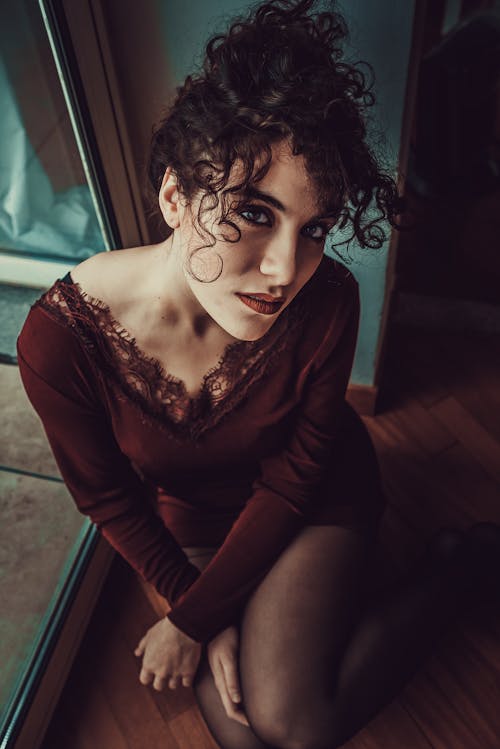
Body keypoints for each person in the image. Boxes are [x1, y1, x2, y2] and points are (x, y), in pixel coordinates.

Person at [17, 1, 500, 747]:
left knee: (293, 724)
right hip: (197, 522)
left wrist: (192, 619)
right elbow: (108, 495)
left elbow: (295, 474)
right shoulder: (59, 342)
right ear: (176, 197)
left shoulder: (328, 298)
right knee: (245, 737)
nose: (285, 270)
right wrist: (193, 604)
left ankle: (456, 564)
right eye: (253, 212)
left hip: (314, 493)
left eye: (312, 228)